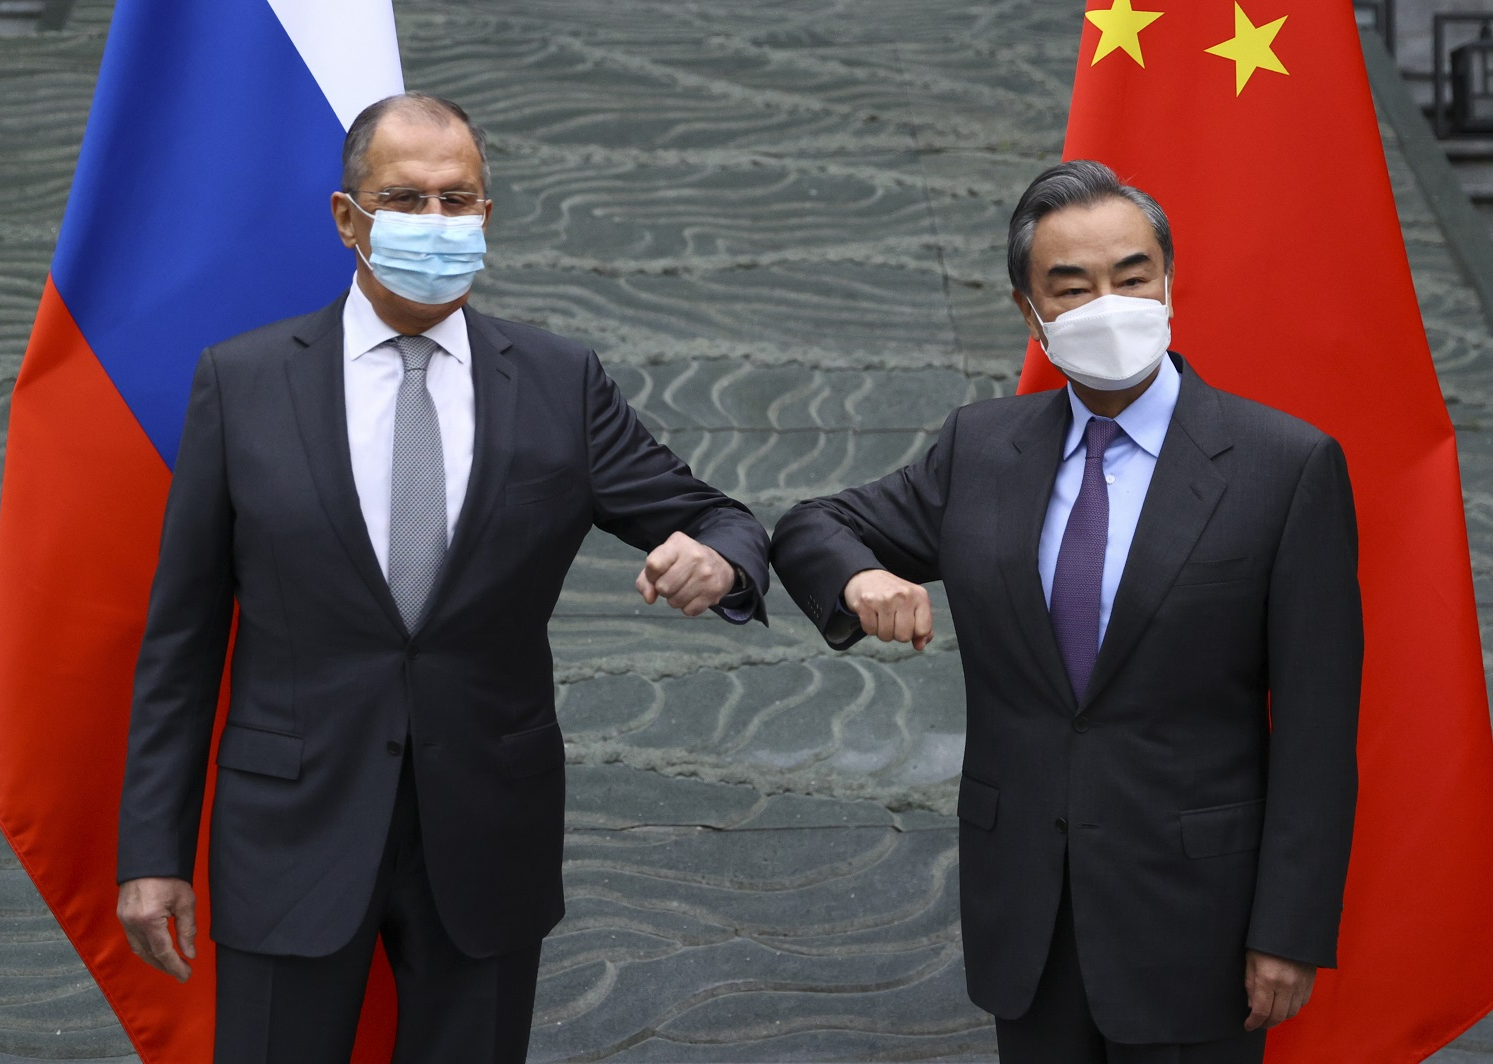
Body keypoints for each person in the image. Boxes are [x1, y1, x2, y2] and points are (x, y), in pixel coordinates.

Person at [113, 92, 769, 1064]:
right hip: (292, 828)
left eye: (458, 200)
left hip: (484, 834)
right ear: (347, 218)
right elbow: (183, 638)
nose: (435, 224)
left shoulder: (557, 380)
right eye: (405, 199)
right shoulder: (244, 382)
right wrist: (153, 853)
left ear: (487, 218)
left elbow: (721, 517)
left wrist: (718, 556)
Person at [769, 160, 1361, 1064]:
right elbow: (817, 526)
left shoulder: (1284, 467)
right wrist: (860, 581)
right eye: (1073, 288)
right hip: (1030, 922)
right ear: (1031, 314)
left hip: (1198, 924)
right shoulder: (983, 449)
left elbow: (1320, 729)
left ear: (1169, 283)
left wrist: (1290, 928)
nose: (1110, 304)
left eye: (1132, 277)